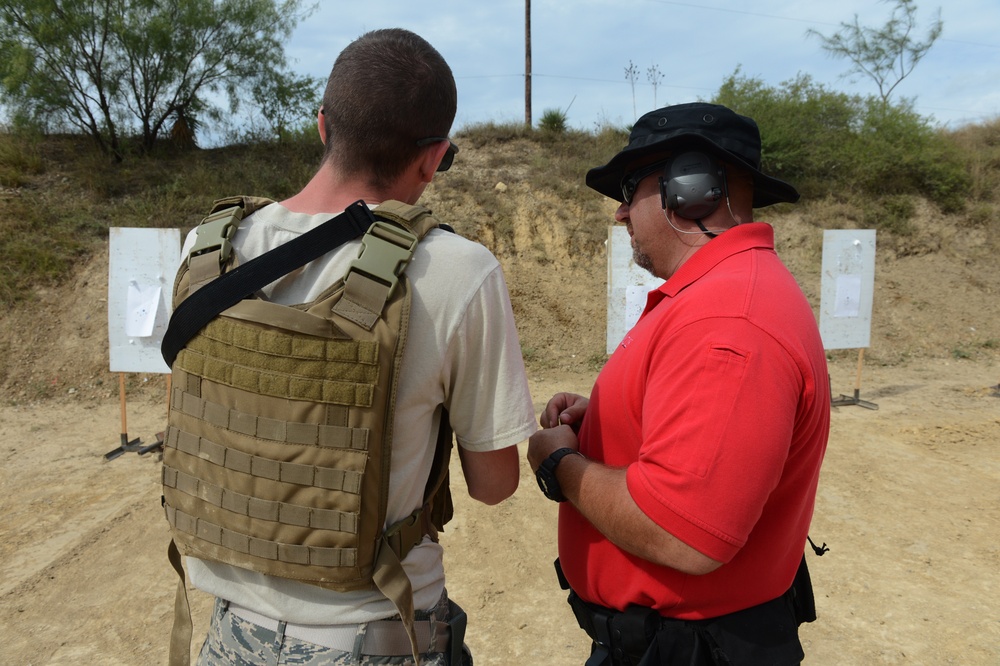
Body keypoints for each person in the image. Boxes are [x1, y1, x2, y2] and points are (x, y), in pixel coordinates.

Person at [167, 28, 537, 665]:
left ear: (322, 127)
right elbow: (494, 483)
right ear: (434, 156)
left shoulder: (207, 251)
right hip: (376, 636)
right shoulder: (457, 271)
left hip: (229, 638)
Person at [527, 102, 830, 665]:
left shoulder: (727, 320)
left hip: (691, 649)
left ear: (689, 188)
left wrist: (559, 465)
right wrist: (609, 419)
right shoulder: (721, 295)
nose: (619, 214)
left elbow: (682, 533)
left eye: (627, 189)